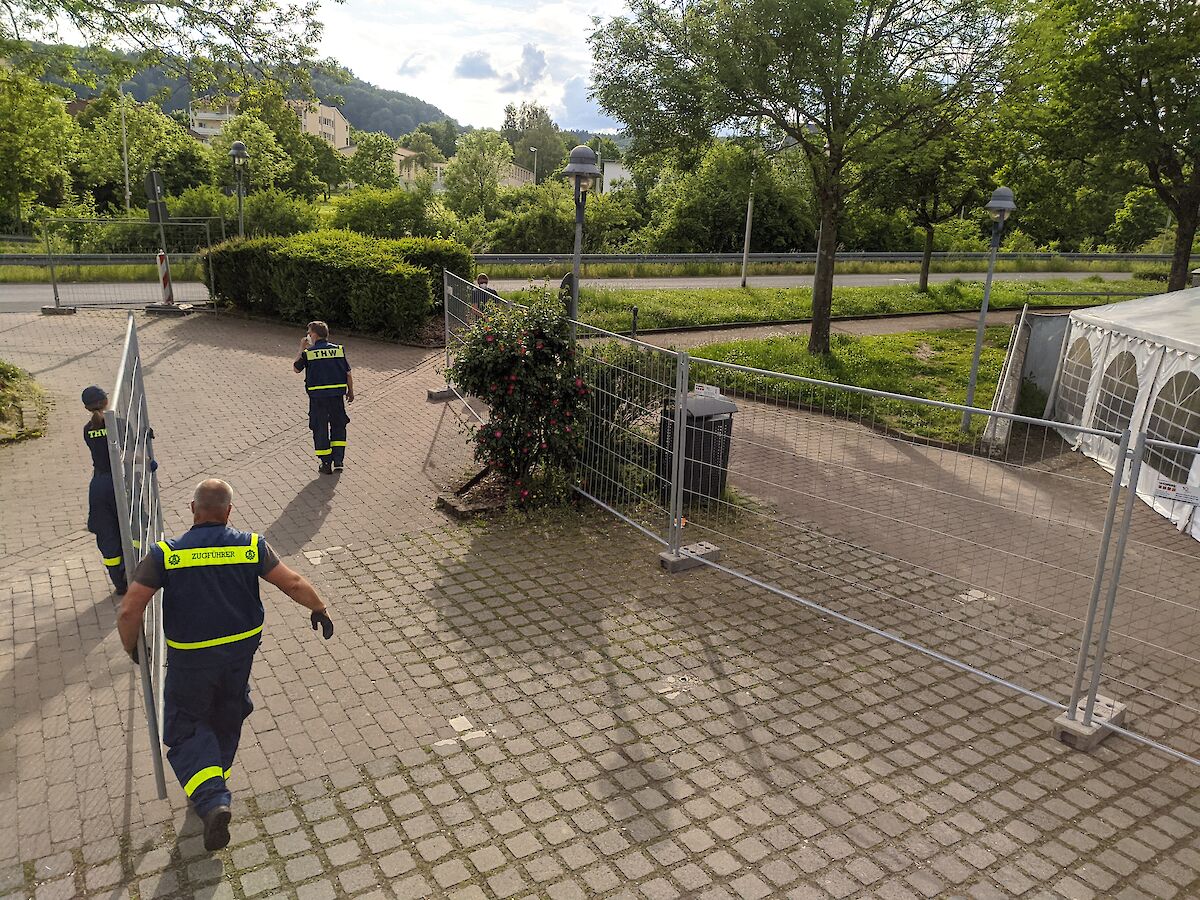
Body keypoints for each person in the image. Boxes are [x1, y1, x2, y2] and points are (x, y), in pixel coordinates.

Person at [117, 479, 335, 852]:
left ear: (192, 508)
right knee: (227, 714)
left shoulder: (167, 554)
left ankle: (211, 796)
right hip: (239, 656)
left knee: (185, 727)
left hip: (192, 660)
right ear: (229, 511)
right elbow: (293, 582)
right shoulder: (251, 546)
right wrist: (319, 608)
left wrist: (134, 648)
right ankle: (214, 781)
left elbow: (130, 607)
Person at [82, 385, 127, 595]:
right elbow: (129, 453)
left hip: (98, 486)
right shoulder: (118, 424)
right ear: (107, 402)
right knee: (130, 527)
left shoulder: (87, 430)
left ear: (86, 408)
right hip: (120, 483)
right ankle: (133, 573)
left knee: (107, 533)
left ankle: (119, 583)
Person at [293, 321, 353, 474]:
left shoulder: (309, 353)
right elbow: (348, 373)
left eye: (309, 333)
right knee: (338, 426)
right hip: (336, 397)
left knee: (320, 428)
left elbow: (296, 369)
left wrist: (301, 348)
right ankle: (338, 460)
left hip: (318, 399)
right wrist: (350, 391)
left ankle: (326, 463)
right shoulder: (339, 350)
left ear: (314, 334)